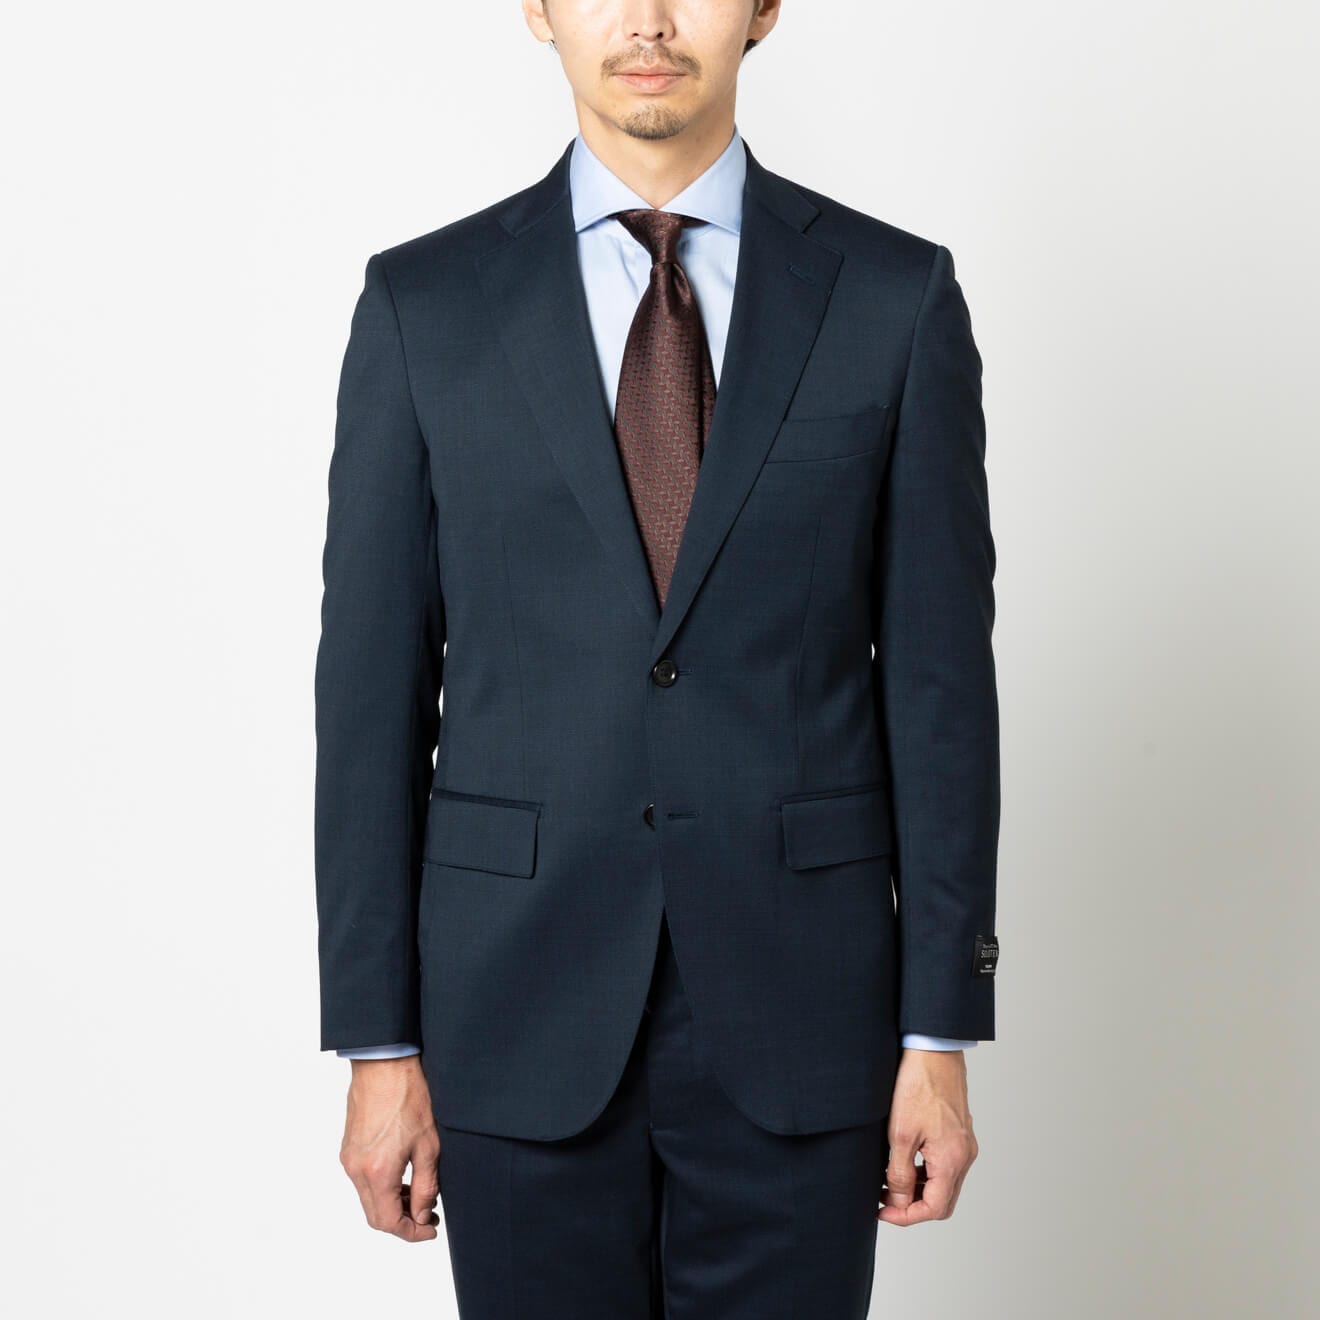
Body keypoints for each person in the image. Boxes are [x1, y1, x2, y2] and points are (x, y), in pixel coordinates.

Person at [314, 2, 1000, 1314]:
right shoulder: (423, 305)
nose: (647, 20)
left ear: (764, 9)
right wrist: (376, 1041)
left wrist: (938, 1030)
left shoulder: (893, 297)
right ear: (538, 10)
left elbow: (940, 695)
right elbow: (369, 703)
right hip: (512, 1012)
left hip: (806, 1012)